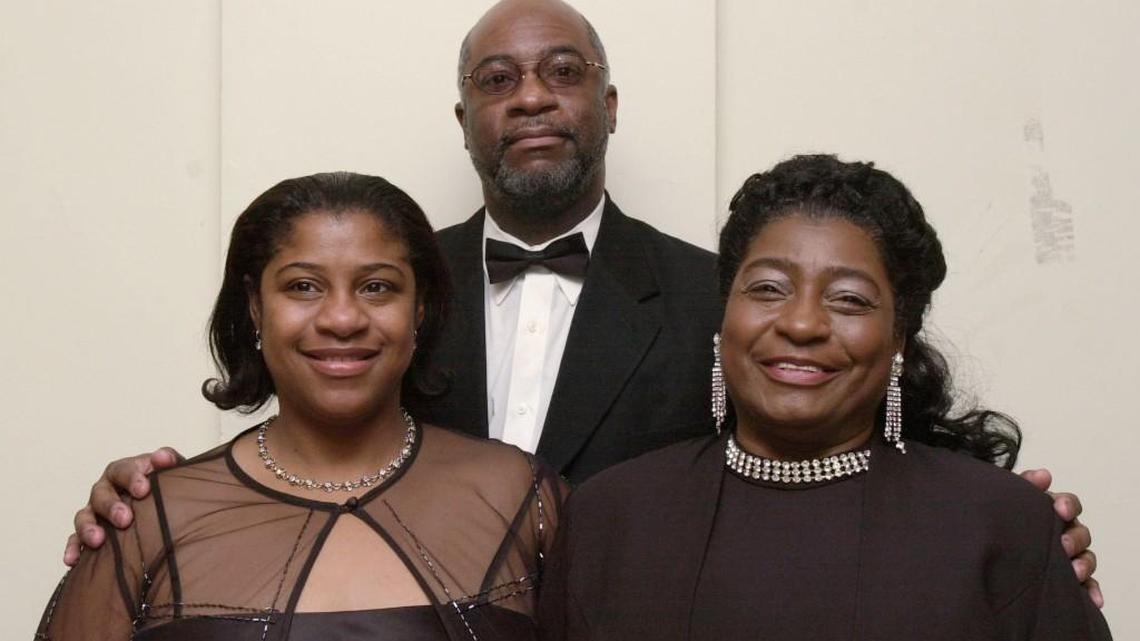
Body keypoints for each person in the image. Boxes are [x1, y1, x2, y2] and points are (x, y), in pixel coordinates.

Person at [63, 0, 1098, 600]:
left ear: (609, 106)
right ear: (464, 115)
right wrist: (155, 497)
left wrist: (1013, 531)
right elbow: (308, 448)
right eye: (497, 78)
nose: (530, 96)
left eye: (564, 71)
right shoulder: (388, 299)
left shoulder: (722, 295)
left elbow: (839, 434)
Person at [538, 155, 1112, 640]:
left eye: (849, 300)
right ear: (724, 318)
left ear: (898, 340)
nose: (803, 323)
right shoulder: (610, 517)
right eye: (768, 289)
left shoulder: (1001, 523)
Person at [37, 172, 564, 641]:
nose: (341, 318)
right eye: (303, 286)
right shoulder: (149, 518)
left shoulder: (521, 498)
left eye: (377, 287)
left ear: (419, 307)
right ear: (254, 306)